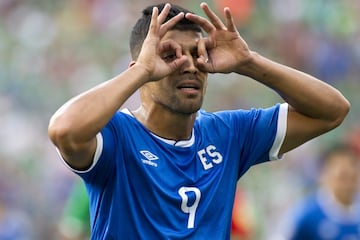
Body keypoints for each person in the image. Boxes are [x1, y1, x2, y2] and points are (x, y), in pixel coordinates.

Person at [48, 2, 350, 239]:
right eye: (170, 56)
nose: (190, 65)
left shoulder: (229, 134)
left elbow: (333, 110)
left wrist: (249, 62)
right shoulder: (116, 136)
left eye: (198, 53)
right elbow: (64, 130)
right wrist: (139, 72)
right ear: (143, 66)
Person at [276, 143, 360, 240]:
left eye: (352, 177)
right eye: (342, 177)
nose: (348, 184)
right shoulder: (306, 214)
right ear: (325, 175)